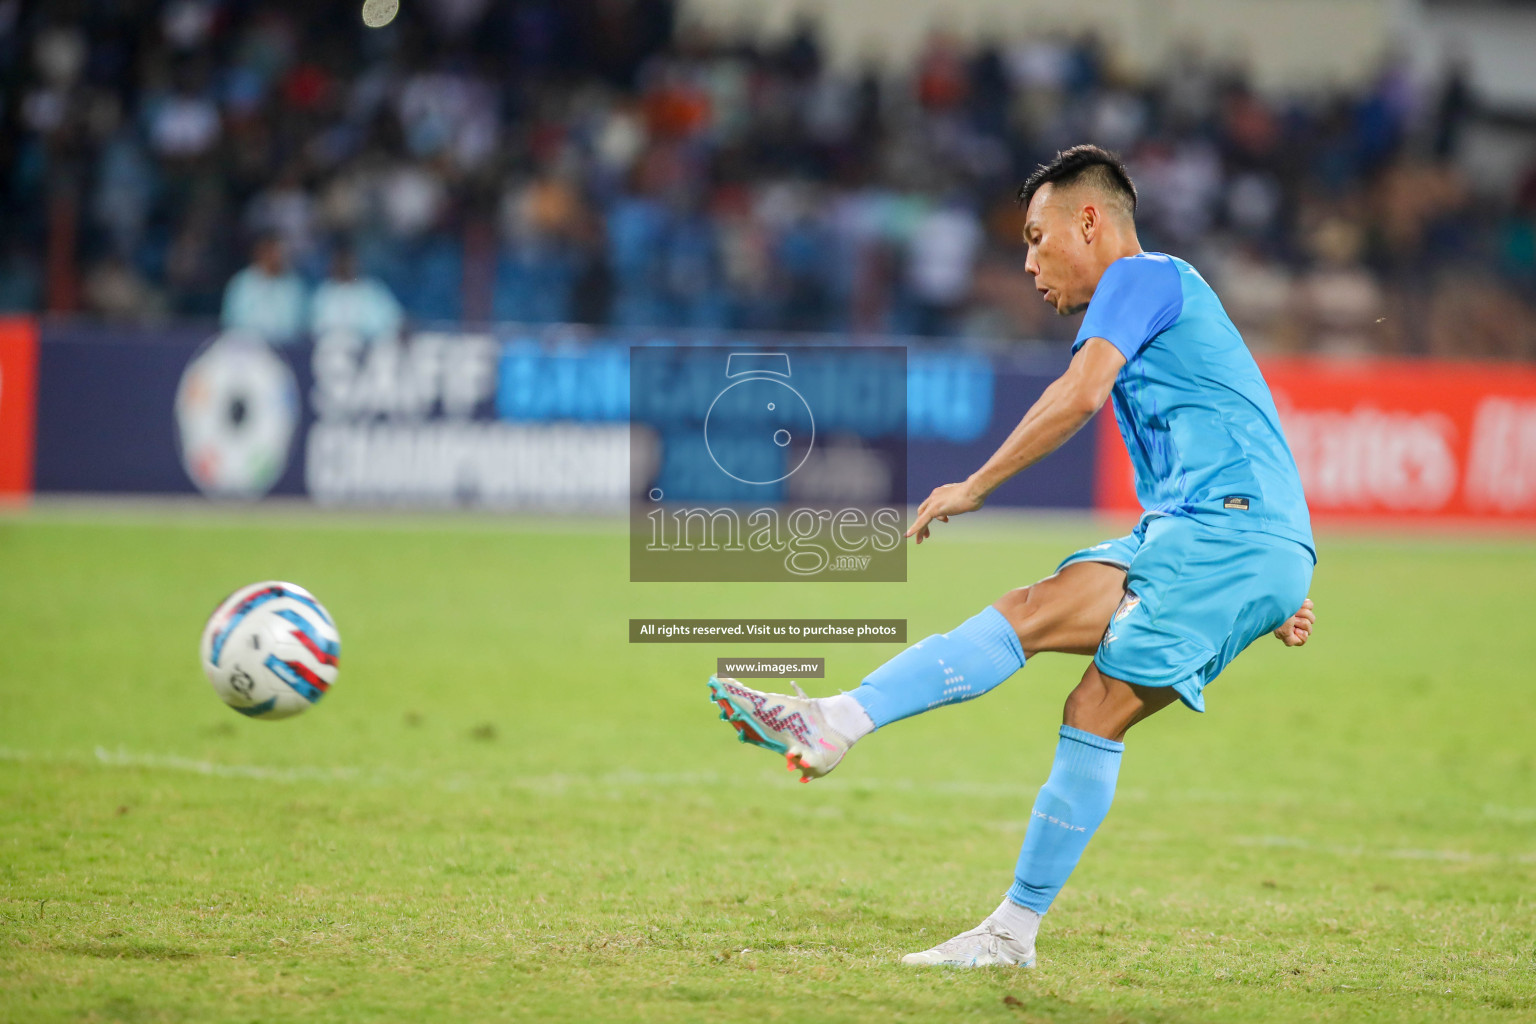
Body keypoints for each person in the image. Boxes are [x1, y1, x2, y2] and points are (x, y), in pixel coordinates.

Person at [707, 144, 1318, 969]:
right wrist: (1274, 580)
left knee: (1093, 707)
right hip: (1219, 535)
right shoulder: (1168, 298)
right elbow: (1246, 422)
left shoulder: (1139, 277)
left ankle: (1006, 931)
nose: (1029, 263)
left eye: (1037, 238)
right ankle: (836, 723)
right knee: (1034, 610)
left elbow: (1080, 394)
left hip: (1226, 534)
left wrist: (977, 483)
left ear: (1091, 222)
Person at [220, 235, 307, 343]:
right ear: (260, 253)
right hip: (246, 347)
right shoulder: (242, 283)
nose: (275, 257)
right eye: (271, 252)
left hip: (285, 348)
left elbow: (297, 325)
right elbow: (232, 321)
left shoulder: (293, 285)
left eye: (279, 253)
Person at [309, 245, 404, 341]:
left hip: (372, 345)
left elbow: (395, 320)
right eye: (342, 263)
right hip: (334, 345)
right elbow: (315, 328)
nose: (346, 266)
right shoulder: (324, 291)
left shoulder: (372, 288)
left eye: (349, 262)